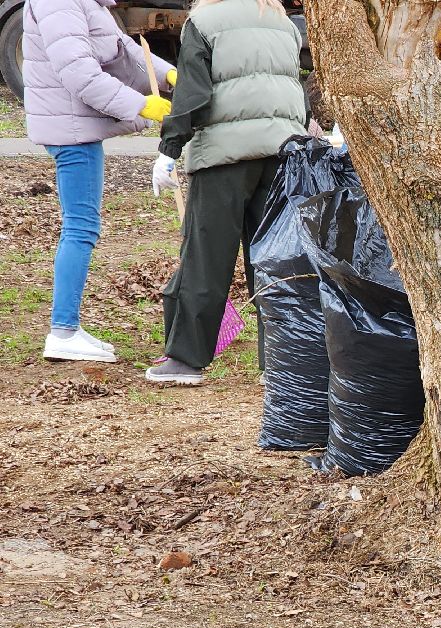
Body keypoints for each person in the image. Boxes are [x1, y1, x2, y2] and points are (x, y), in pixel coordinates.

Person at [145, 0, 306, 386]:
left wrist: (169, 150)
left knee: (206, 257)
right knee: (276, 258)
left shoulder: (204, 21)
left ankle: (186, 359)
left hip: (223, 158)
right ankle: (283, 362)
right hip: (283, 154)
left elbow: (194, 96)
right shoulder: (282, 21)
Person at [22, 0, 174, 363]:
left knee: (81, 225)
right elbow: (80, 75)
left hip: (75, 126)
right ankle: (63, 331)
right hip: (70, 129)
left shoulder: (85, 3)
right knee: (80, 227)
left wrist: (170, 75)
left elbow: (128, 51)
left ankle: (66, 329)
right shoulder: (59, 2)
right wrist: (141, 105)